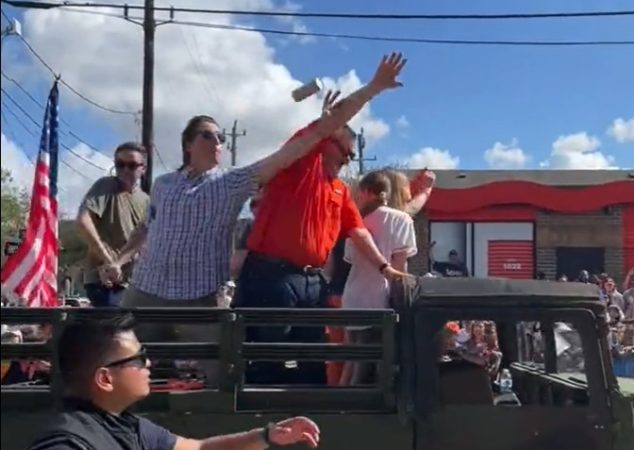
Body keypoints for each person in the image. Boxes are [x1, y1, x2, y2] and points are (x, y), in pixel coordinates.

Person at [234, 52, 412, 385]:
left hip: (311, 282)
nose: (347, 161)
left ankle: (312, 425)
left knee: (313, 362)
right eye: (344, 152)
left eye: (350, 157)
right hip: (271, 275)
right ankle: (262, 427)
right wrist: (373, 87)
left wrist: (385, 267)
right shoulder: (301, 165)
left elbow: (359, 233)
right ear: (326, 142)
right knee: (264, 362)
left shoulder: (340, 191)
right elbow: (319, 132)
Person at [27, 314, 320, 450]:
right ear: (105, 379)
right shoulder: (68, 444)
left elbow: (200, 449)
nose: (149, 364)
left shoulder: (127, 427)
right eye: (138, 358)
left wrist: (267, 435)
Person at [339, 171, 417, 385]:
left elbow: (350, 259)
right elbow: (400, 262)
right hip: (380, 298)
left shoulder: (358, 221)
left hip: (354, 296)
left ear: (366, 192)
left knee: (354, 358)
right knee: (372, 361)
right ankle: (359, 408)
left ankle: (341, 403)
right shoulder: (401, 219)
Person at [77, 142, 149, 307]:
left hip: (134, 283)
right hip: (105, 283)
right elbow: (83, 221)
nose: (124, 170)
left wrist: (118, 264)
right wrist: (109, 262)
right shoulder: (106, 186)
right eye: (120, 165)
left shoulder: (146, 200)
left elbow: (144, 237)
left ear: (143, 168)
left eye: (131, 165)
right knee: (117, 330)